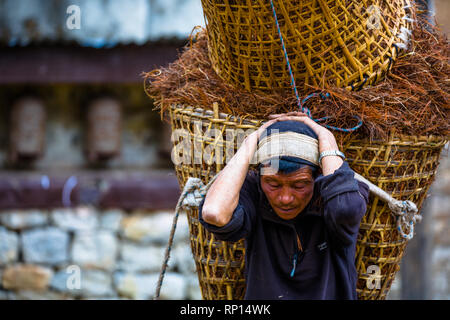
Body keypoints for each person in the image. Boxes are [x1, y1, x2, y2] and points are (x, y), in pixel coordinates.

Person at [198, 111, 369, 300]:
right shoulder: (254, 192)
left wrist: (326, 139)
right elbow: (214, 213)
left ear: (318, 175)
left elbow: (345, 209)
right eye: (273, 184)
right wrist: (249, 144)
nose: (285, 198)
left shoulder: (340, 193)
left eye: (299, 185)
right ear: (260, 178)